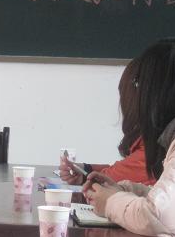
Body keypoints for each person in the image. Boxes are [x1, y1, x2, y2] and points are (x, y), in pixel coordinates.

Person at [85, 38, 175, 237]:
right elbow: (172, 200)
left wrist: (110, 202)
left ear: (157, 91)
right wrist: (124, 190)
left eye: (138, 84)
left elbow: (161, 217)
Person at [59, 57, 153, 185]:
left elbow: (111, 180)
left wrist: (86, 176)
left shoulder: (154, 151)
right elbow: (123, 170)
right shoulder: (155, 142)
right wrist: (85, 170)